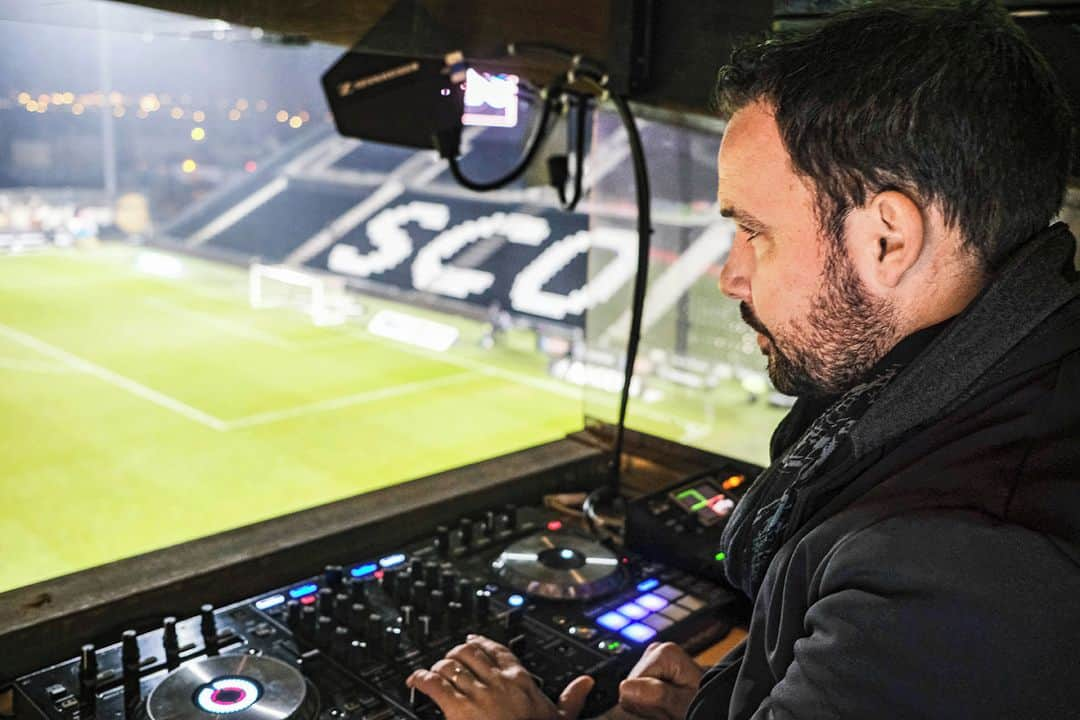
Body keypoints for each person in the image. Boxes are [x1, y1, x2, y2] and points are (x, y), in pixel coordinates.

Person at [406, 1, 1080, 717]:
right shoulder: (1013, 388)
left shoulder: (954, 574)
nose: (730, 276)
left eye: (753, 232)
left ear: (890, 240)